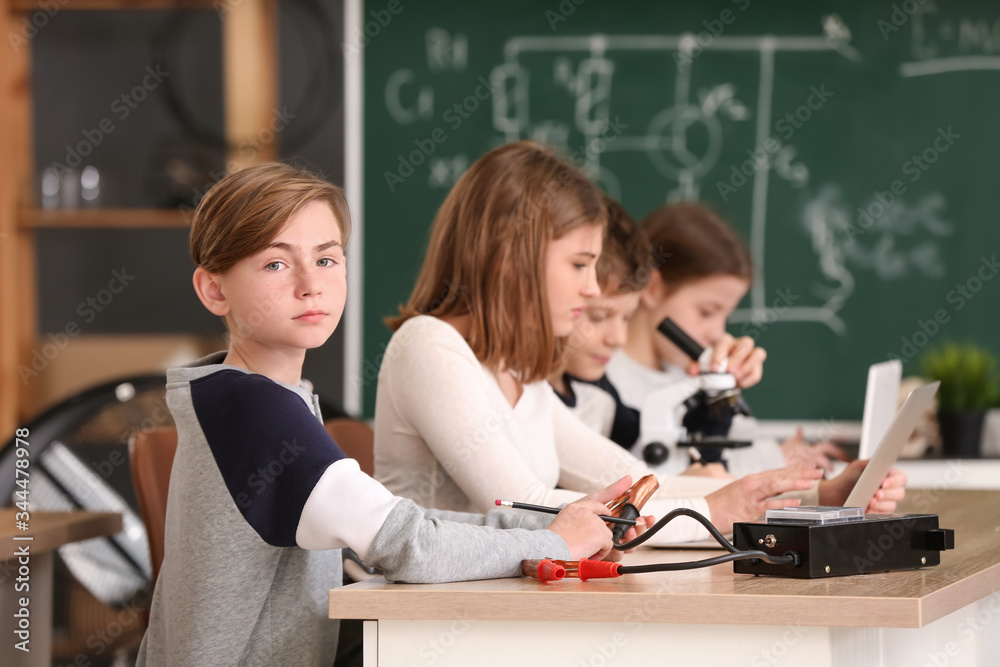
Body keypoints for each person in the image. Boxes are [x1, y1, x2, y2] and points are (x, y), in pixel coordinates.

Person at [136, 163, 635, 667]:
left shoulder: (260, 396)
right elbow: (406, 543)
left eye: (327, 259)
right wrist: (554, 541)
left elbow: (399, 523)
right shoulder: (253, 410)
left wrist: (553, 526)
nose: (311, 284)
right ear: (214, 290)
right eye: (275, 265)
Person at [373, 142, 898, 547]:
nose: (593, 287)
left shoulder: (518, 371)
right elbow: (527, 510)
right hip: (423, 623)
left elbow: (632, 483)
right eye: (579, 264)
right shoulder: (429, 347)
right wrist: (713, 515)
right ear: (512, 256)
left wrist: (808, 498)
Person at [607, 202, 851, 473]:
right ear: (652, 288)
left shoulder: (689, 373)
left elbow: (746, 438)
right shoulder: (603, 377)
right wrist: (776, 460)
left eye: (726, 315)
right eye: (706, 311)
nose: (718, 332)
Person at [548, 197, 647, 451]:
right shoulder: (521, 395)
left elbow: (644, 443)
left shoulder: (598, 391)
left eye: (627, 318)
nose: (618, 339)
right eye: (598, 317)